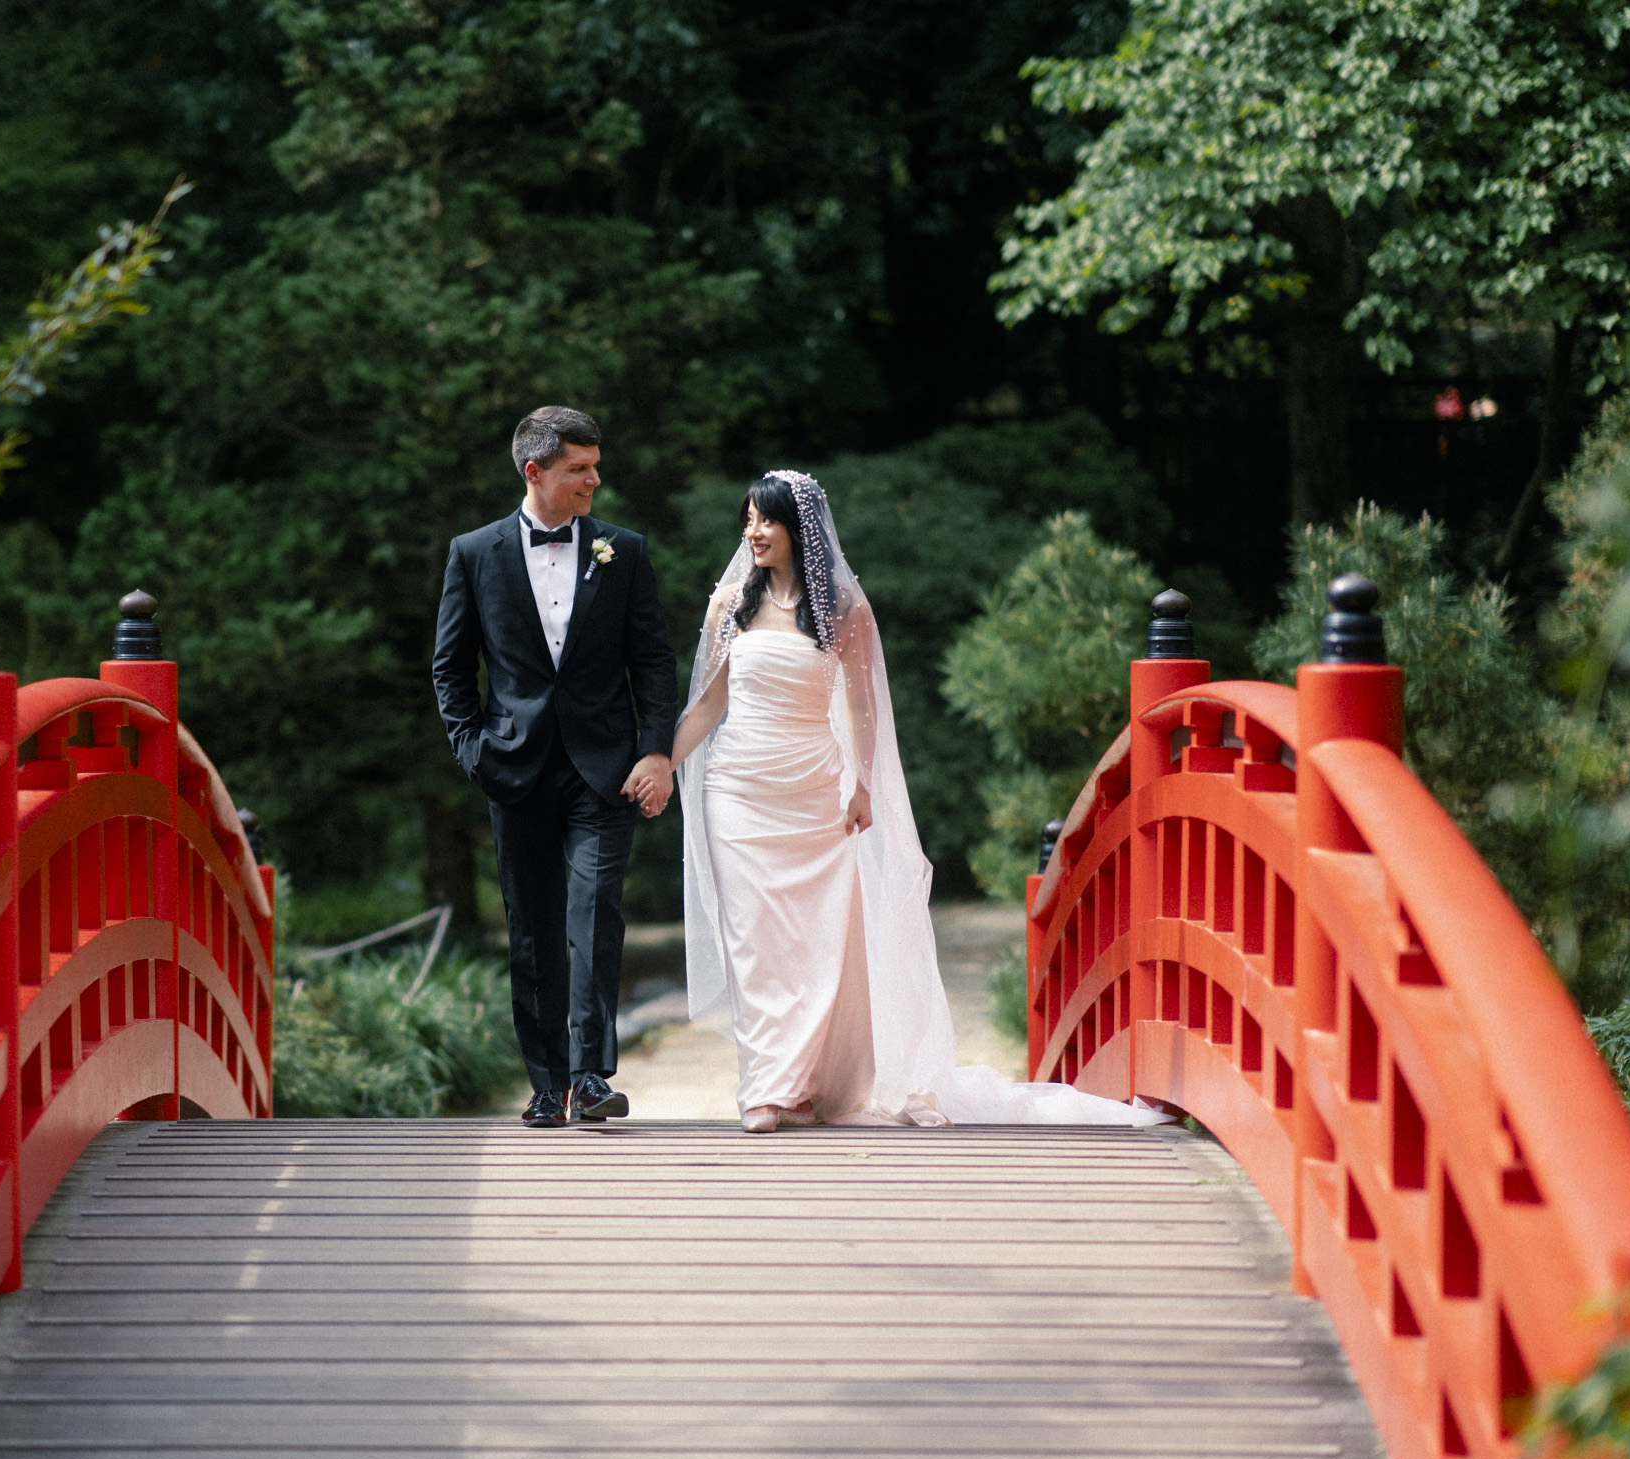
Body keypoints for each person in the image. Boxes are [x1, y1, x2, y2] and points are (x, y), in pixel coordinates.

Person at [665, 470, 1164, 1133]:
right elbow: (707, 705)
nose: (753, 531)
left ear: (799, 529)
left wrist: (861, 783)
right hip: (737, 791)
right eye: (748, 519)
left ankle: (802, 1082)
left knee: (815, 945)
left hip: (813, 791)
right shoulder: (727, 604)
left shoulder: (845, 611)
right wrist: (656, 763)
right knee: (753, 939)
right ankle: (764, 1086)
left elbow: (863, 706)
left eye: (767, 520)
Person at [432, 407, 680, 1127]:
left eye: (596, 465)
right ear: (534, 471)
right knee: (533, 928)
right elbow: (451, 669)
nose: (595, 480)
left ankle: (589, 1078)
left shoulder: (623, 551)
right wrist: (473, 751)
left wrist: (657, 750)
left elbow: (654, 662)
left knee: (595, 910)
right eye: (580, 469)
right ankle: (545, 1087)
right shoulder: (473, 553)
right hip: (513, 768)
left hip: (605, 769)